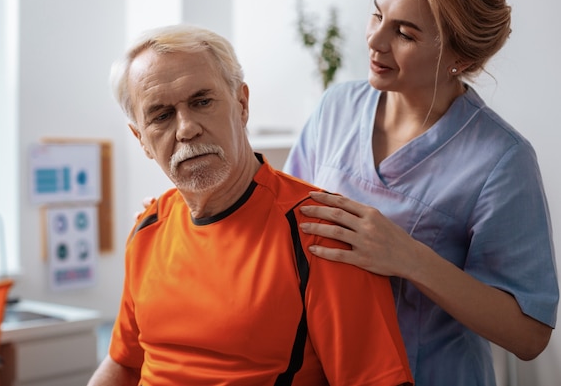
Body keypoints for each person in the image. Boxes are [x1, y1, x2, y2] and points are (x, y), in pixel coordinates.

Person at [87, 24, 413, 386]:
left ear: (241, 104)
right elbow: (124, 364)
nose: (186, 128)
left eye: (202, 101)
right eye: (161, 116)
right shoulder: (148, 227)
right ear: (142, 140)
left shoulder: (322, 232)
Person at [283, 0, 559, 385]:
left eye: (405, 34)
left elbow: (530, 334)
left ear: (459, 59)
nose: (375, 42)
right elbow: (282, 226)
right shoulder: (335, 107)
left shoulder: (502, 160)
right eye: (376, 16)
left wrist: (409, 258)